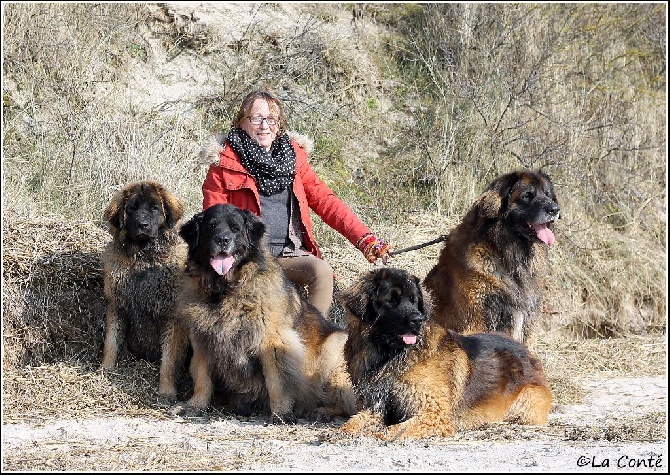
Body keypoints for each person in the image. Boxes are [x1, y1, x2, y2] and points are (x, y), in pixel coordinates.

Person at [200, 87, 391, 318]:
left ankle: (313, 337)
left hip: (289, 255)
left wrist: (365, 240)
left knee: (321, 272)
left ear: (279, 124)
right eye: (257, 118)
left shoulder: (293, 158)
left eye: (272, 119)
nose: (265, 126)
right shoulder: (224, 164)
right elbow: (214, 218)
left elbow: (326, 202)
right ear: (242, 122)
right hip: (248, 258)